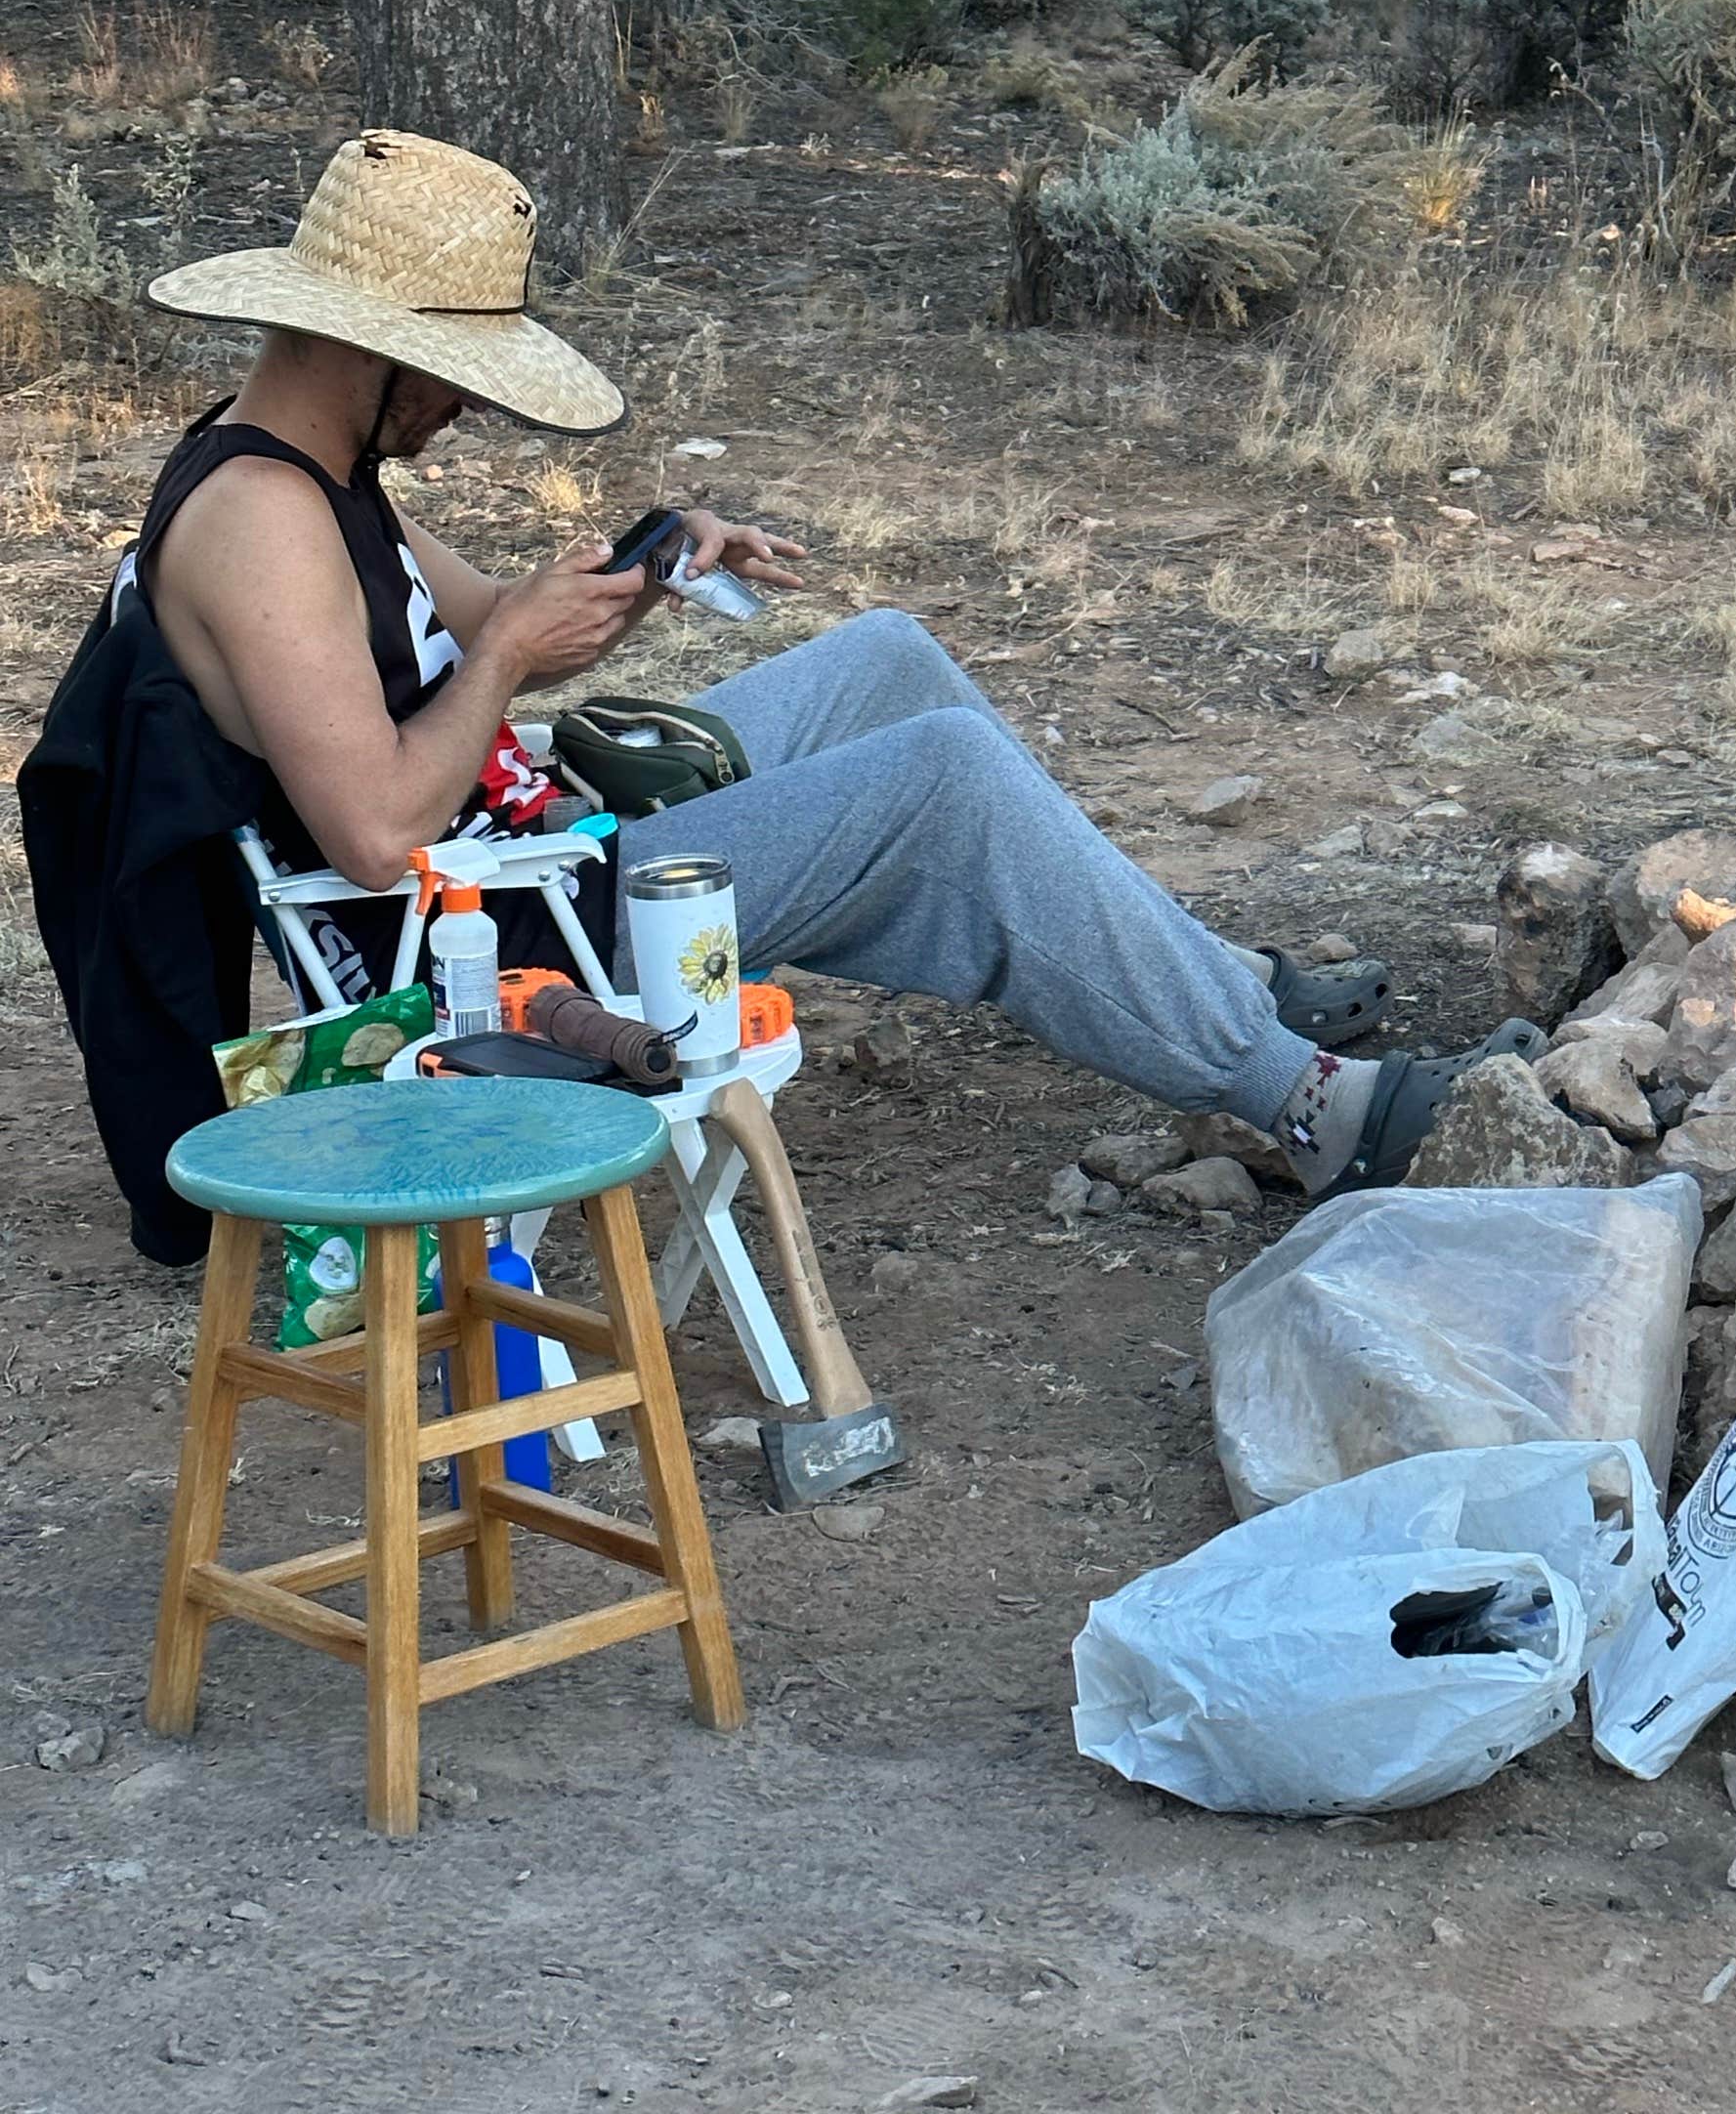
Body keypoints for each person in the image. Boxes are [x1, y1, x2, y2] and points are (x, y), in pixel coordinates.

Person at [17, 128, 1528, 1264]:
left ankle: (1203, 980)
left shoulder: (312, 462)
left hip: (530, 834)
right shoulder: (265, 525)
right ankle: (1307, 1100)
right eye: (454, 370)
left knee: (889, 662)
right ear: (372, 347)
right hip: (506, 946)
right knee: (940, 775)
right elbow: (368, 826)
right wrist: (503, 665)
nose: (467, 402)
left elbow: (487, 628)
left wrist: (652, 563)